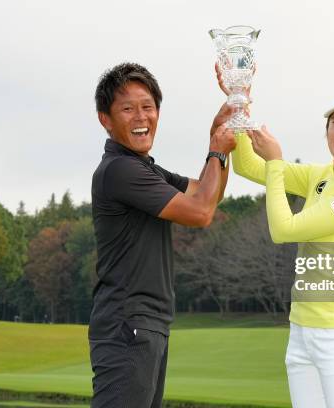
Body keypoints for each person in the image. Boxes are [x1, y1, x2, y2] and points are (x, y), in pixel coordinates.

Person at [227, 79, 334, 407]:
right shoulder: (322, 176)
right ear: (327, 128)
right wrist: (239, 104)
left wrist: (276, 161)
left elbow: (284, 229)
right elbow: (247, 165)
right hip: (302, 332)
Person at [89, 62, 236, 408]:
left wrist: (218, 137)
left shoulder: (144, 169)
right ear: (105, 119)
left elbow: (208, 194)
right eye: (127, 108)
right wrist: (217, 149)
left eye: (148, 107)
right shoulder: (120, 170)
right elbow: (200, 212)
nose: (141, 117)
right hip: (128, 324)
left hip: (146, 323)